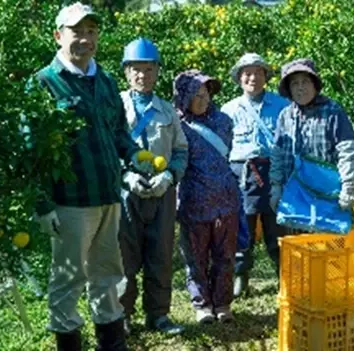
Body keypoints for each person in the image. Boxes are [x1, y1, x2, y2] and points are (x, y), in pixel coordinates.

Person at [30, 3, 153, 350]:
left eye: (91, 31)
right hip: (69, 202)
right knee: (68, 279)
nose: (85, 38)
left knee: (108, 274)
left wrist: (133, 155)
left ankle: (110, 343)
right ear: (58, 36)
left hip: (108, 197)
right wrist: (43, 204)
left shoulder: (106, 80)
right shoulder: (44, 84)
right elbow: (32, 150)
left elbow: (117, 132)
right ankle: (68, 344)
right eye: (76, 31)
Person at [118, 38, 188, 336]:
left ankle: (158, 314)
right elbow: (108, 147)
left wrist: (170, 176)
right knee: (124, 256)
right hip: (126, 191)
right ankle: (122, 315)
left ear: (157, 72)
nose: (142, 76)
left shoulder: (167, 111)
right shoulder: (115, 106)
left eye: (149, 70)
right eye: (136, 70)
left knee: (160, 254)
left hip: (163, 193)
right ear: (126, 72)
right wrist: (125, 176)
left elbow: (182, 150)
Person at [173, 70, 240, 324]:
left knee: (225, 254)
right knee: (196, 257)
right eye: (196, 95)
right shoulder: (176, 124)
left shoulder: (223, 121)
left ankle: (222, 303)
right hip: (193, 202)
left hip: (226, 200)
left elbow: (228, 152)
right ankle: (202, 305)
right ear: (184, 98)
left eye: (206, 94)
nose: (203, 100)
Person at [221, 53, 290, 297]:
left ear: (265, 77)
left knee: (277, 228)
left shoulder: (282, 106)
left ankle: (285, 277)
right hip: (242, 173)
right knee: (244, 229)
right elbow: (222, 146)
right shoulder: (228, 109)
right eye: (247, 73)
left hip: (273, 171)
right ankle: (241, 276)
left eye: (258, 73)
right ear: (240, 78)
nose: (253, 78)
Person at [269, 58, 354, 226]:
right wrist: (276, 187)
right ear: (288, 89)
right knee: (299, 247)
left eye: (305, 82)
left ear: (315, 84)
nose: (300, 87)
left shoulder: (332, 111)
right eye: (295, 83)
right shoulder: (285, 116)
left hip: (328, 193)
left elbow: (347, 150)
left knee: (331, 245)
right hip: (295, 195)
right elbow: (278, 155)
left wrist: (348, 186)